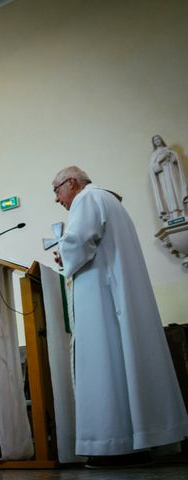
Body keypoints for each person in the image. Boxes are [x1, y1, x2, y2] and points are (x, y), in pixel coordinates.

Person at [52, 166, 188, 468]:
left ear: (72, 183)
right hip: (118, 296)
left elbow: (79, 241)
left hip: (103, 298)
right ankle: (138, 439)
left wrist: (63, 253)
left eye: (57, 190)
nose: (57, 199)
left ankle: (115, 445)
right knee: (125, 364)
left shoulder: (87, 198)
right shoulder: (111, 200)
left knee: (107, 363)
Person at [149, 135, 188, 222]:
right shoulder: (153, 155)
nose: (157, 141)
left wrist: (173, 156)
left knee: (177, 192)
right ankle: (172, 214)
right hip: (163, 177)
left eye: (158, 139)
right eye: (155, 140)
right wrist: (160, 160)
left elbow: (177, 161)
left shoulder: (169, 150)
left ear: (161, 140)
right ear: (154, 143)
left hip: (173, 174)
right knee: (168, 195)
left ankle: (182, 212)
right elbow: (153, 169)